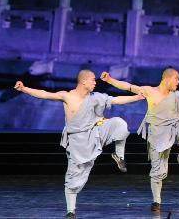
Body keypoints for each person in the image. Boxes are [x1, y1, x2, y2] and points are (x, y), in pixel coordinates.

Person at [14, 70, 142, 219]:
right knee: (74, 178)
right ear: (84, 82)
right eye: (93, 80)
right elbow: (44, 94)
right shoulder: (67, 96)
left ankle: (119, 156)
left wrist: (137, 97)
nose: (95, 82)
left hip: (94, 134)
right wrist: (24, 89)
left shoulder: (95, 98)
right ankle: (71, 211)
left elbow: (116, 100)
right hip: (77, 142)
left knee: (120, 124)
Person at [100, 68, 179, 214]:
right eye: (176, 79)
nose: (178, 82)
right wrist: (110, 80)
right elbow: (129, 87)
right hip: (157, 137)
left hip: (175, 130)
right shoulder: (149, 91)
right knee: (158, 172)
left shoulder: (177, 96)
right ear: (168, 78)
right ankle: (156, 201)